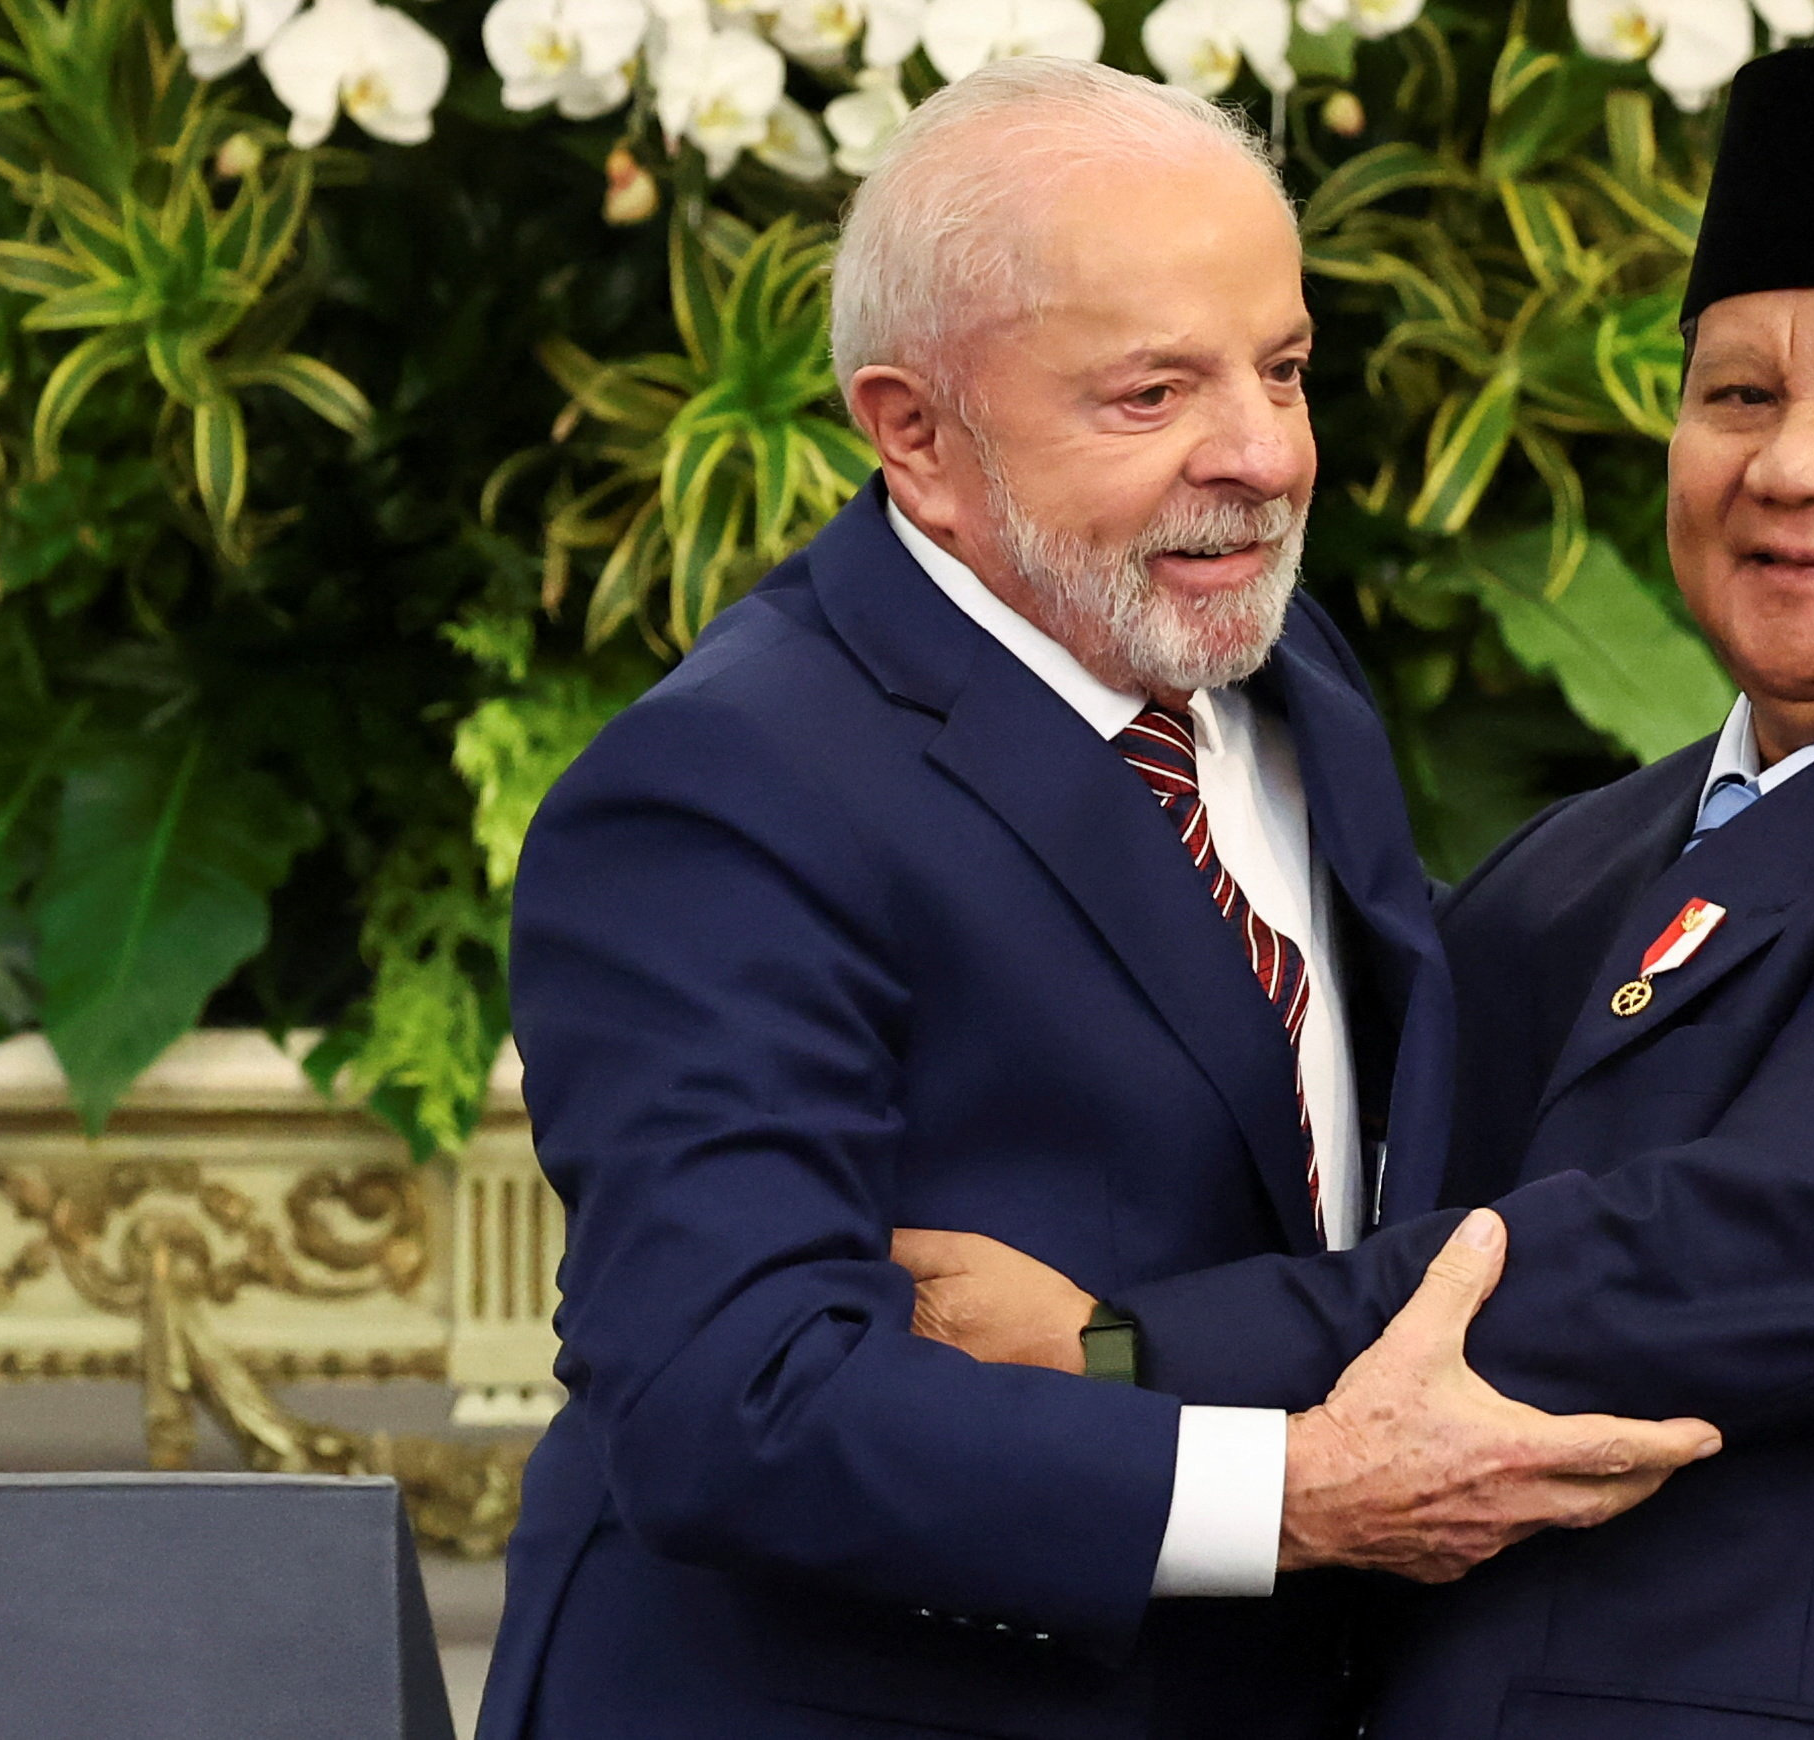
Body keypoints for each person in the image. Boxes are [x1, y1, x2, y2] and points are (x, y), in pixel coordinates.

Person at [897, 44, 1814, 1740]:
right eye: (1738, 396)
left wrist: (1120, 1358)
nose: (1792, 467)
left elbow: (1678, 1271)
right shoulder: (1588, 856)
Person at [476, 58, 1713, 1740]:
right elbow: (727, 1399)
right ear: (914, 432)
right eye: (1152, 394)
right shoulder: (721, 793)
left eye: (1284, 368)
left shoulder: (1257, 647)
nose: (1264, 455)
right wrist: (1297, 1493)